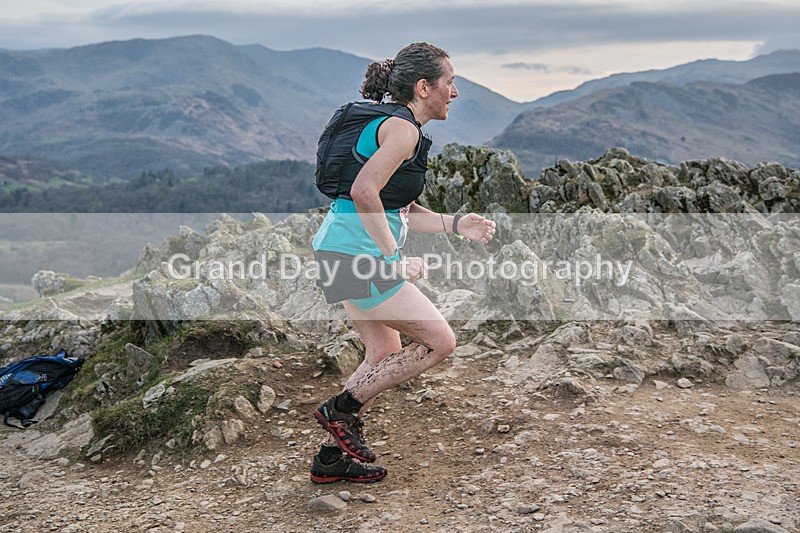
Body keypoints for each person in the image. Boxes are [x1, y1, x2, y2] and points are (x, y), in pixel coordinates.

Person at [309, 42, 496, 484]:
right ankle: (342, 410)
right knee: (439, 341)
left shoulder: (396, 125)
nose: (454, 92)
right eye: (449, 82)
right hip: (356, 258)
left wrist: (455, 224)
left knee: (384, 351)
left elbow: (399, 208)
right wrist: (391, 259)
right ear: (424, 86)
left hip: (336, 250)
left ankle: (330, 462)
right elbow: (363, 192)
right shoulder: (403, 129)